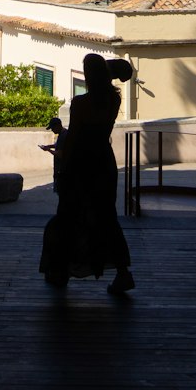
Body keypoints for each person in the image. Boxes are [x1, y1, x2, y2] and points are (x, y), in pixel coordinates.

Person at [39, 53, 135, 295]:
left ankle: (60, 270)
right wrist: (102, 68)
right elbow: (119, 72)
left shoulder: (80, 103)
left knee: (69, 216)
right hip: (103, 162)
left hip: (81, 164)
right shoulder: (113, 100)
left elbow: (73, 139)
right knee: (106, 217)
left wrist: (63, 168)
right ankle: (123, 273)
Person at [39, 116, 69, 192]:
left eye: (53, 128)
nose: (52, 130)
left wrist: (48, 150)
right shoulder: (63, 134)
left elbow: (60, 154)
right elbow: (58, 145)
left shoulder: (63, 136)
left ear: (58, 126)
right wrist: (49, 146)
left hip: (61, 170)